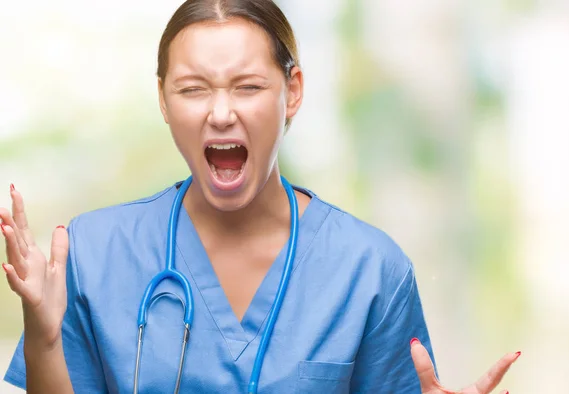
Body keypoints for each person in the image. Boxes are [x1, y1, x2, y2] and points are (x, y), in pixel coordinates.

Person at [0, 0, 520, 393]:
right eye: (193, 88)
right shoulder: (94, 252)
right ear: (162, 98)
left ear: (291, 91)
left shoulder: (370, 269)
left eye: (247, 87)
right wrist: (44, 339)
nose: (221, 113)